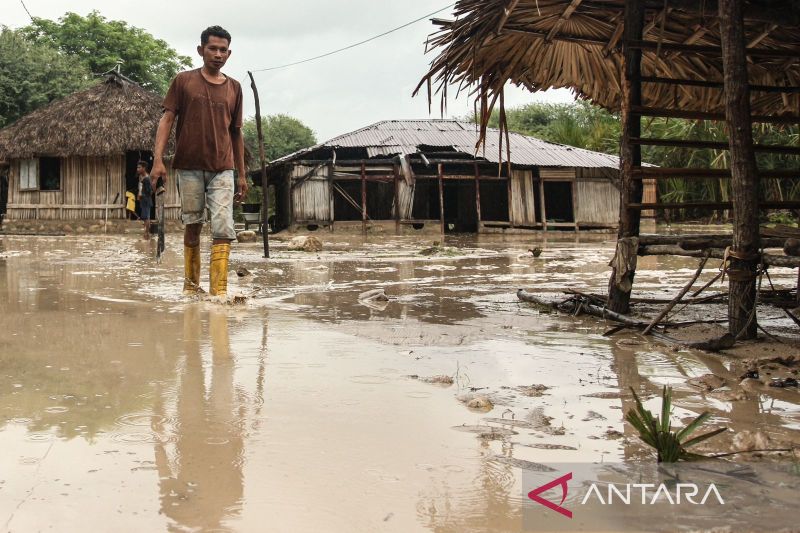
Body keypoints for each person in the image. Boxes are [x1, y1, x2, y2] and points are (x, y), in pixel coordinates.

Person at [150, 25, 247, 297]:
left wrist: (242, 174)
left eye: (223, 50)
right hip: (189, 166)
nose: (218, 54)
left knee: (223, 226)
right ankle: (191, 288)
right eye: (212, 49)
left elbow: (237, 133)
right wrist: (158, 160)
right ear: (200, 50)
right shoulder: (184, 81)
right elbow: (167, 119)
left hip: (223, 169)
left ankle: (219, 294)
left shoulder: (235, 88)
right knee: (192, 225)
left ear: (229, 53)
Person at [136, 160, 154, 239]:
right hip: (143, 200)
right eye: (137, 167)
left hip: (146, 200)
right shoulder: (141, 177)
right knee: (144, 217)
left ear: (144, 168)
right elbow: (140, 187)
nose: (137, 169)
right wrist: (139, 194)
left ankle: (147, 233)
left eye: (139, 167)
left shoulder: (147, 178)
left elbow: (150, 191)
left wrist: (142, 195)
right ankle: (146, 233)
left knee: (146, 217)